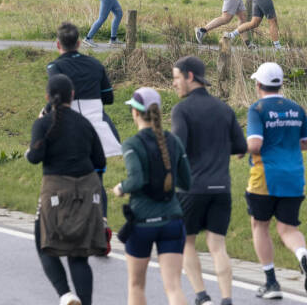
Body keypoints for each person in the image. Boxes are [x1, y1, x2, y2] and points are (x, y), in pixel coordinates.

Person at [171, 57, 247, 305]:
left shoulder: (182, 110)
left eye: (176, 78)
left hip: (192, 189)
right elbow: (240, 145)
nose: (174, 84)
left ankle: (203, 297)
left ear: (189, 76)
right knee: (217, 245)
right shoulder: (224, 109)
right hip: (221, 188)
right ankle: (226, 298)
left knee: (187, 242)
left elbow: (176, 147)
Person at [28, 73, 108, 305]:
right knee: (79, 255)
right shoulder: (84, 124)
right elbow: (100, 161)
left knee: (43, 244)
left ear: (47, 97)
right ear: (72, 96)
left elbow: (35, 157)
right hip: (86, 189)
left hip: (55, 189)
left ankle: (65, 294)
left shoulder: (43, 124)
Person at [244, 62, 307, 299]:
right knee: (288, 228)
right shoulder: (295, 108)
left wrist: (238, 147)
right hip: (294, 176)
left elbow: (255, 144)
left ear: (258, 85)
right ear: (281, 84)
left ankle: (271, 283)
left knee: (260, 225)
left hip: (265, 176)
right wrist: (286, 145)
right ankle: (303, 255)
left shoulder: (257, 109)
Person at [112, 87, 192, 305]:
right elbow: (187, 182)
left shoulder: (132, 144)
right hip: (172, 220)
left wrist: (121, 187)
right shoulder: (173, 141)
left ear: (136, 113)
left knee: (136, 285)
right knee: (174, 287)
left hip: (142, 222)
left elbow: (136, 180)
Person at [46, 21, 123, 232]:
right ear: (79, 43)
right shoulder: (96, 65)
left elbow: (56, 96)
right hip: (96, 129)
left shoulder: (56, 67)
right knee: (96, 180)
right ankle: (103, 223)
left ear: (57, 45)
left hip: (70, 130)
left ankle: (69, 224)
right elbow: (108, 98)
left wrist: (45, 114)